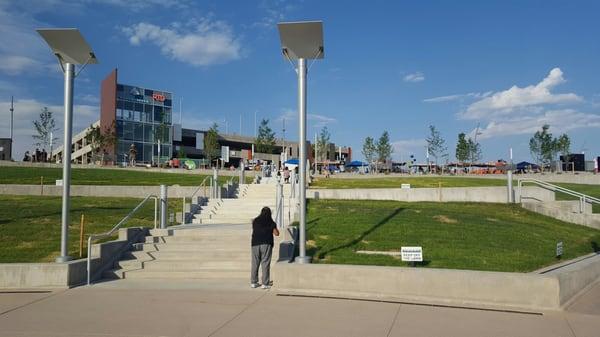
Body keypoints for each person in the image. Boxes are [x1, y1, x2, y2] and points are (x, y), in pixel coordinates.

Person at [250, 207, 279, 289]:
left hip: (255, 244)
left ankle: (254, 282)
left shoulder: (255, 221)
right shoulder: (270, 222)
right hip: (266, 244)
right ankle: (265, 284)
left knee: (255, 263)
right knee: (265, 263)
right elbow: (276, 233)